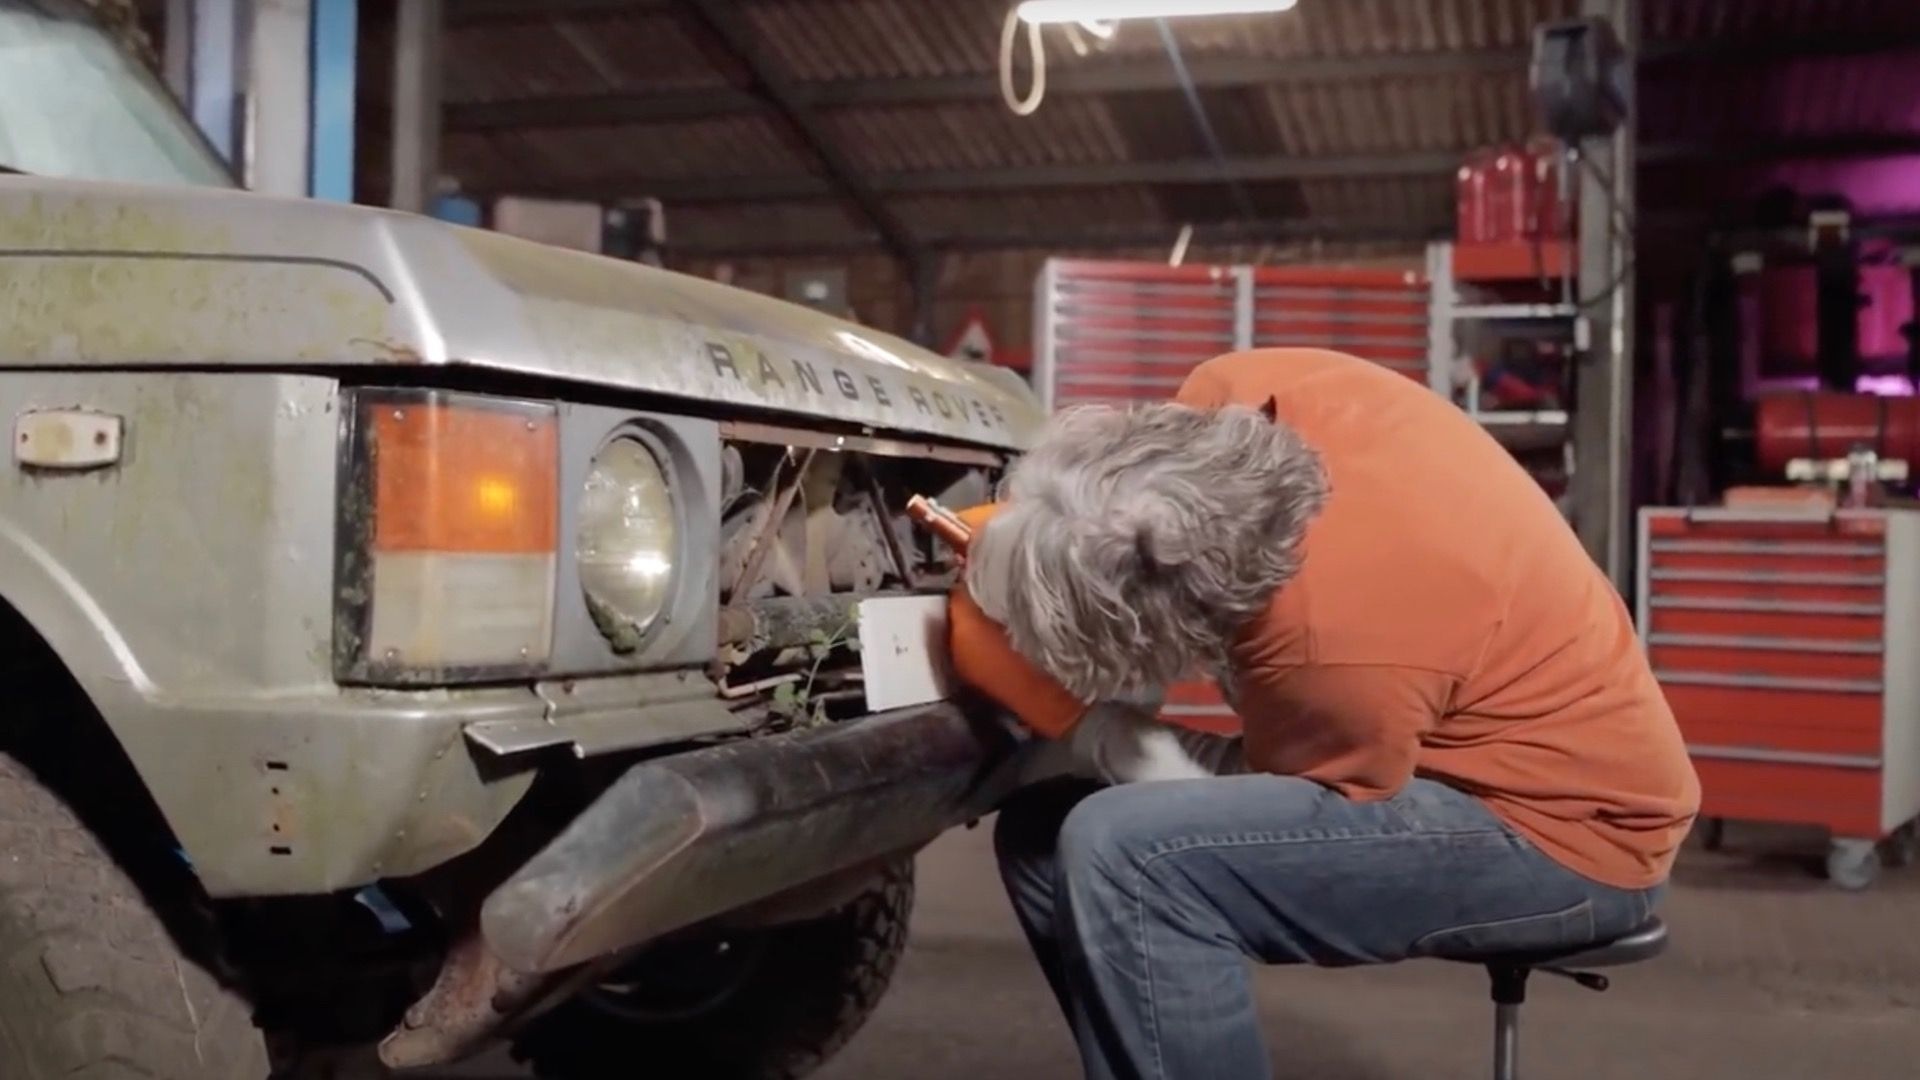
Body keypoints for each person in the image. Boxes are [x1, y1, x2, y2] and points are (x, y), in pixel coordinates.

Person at [951, 347, 1701, 1080]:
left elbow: (1257, 787)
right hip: (1451, 717)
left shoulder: (1333, 648)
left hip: (1569, 838)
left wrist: (1083, 726)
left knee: (1129, 855)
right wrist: (1028, 537)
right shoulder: (1237, 389)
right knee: (1043, 834)